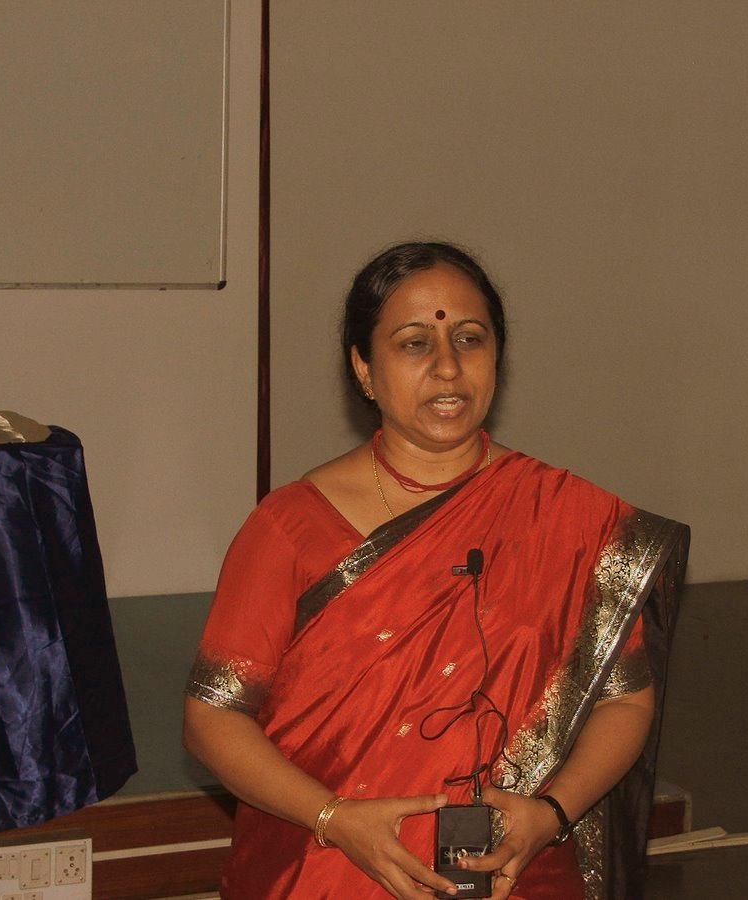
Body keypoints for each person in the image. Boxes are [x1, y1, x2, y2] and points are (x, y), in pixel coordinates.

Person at [182, 241, 689, 899]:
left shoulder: (567, 521)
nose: (448, 368)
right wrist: (335, 818)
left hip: (515, 877)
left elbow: (624, 699)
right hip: (329, 872)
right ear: (364, 368)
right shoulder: (291, 528)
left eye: (470, 340)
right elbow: (212, 721)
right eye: (415, 344)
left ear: (497, 357)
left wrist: (550, 814)